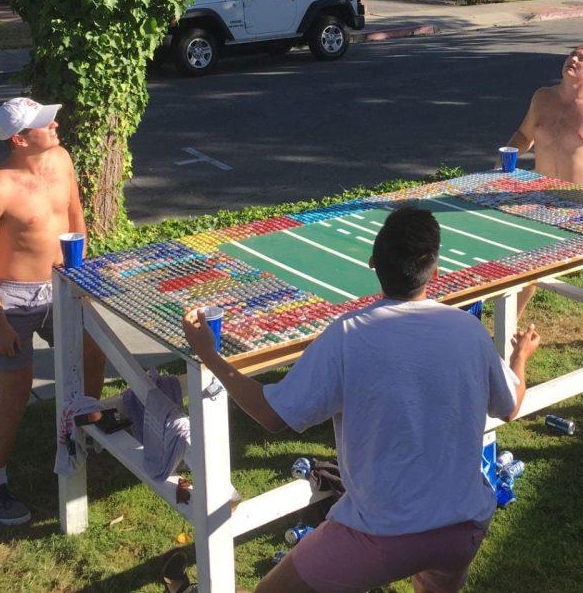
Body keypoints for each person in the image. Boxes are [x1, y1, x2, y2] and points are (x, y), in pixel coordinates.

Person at [182, 206, 541, 593]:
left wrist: (210, 355)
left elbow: (272, 415)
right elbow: (511, 404)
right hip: (461, 531)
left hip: (379, 536)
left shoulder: (348, 335)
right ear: (435, 273)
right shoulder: (469, 330)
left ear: (372, 264)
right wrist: (519, 359)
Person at [0, 97, 106, 525]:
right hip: (11, 300)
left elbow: (75, 215)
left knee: (94, 354)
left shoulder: (61, 159)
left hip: (61, 286)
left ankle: (88, 426)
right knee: (15, 395)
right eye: (46, 123)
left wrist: (81, 274)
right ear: (20, 139)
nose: (56, 124)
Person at [503, 43, 583, 355]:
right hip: (542, 196)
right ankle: (506, 331)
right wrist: (505, 162)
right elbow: (524, 136)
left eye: (581, 58)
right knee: (530, 264)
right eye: (571, 54)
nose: (573, 59)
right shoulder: (542, 98)